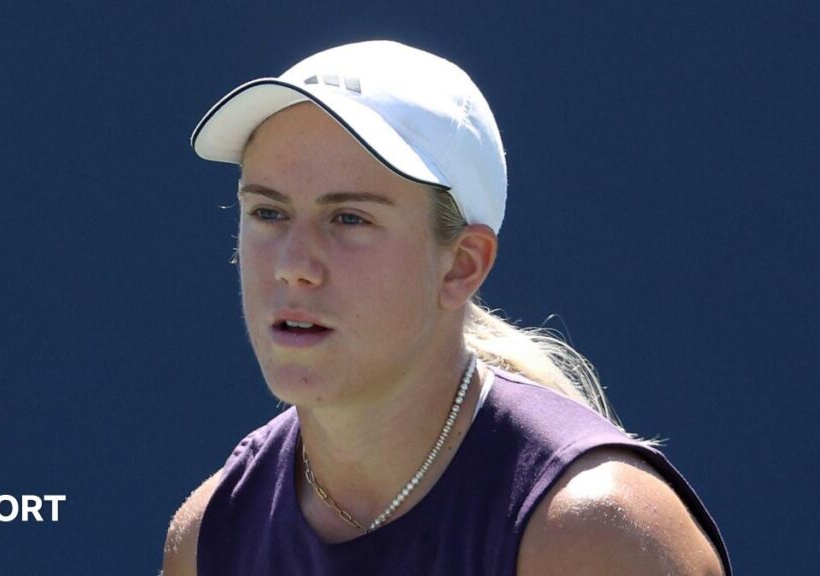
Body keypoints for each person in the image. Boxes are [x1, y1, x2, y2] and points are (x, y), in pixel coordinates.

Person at [163, 40, 731, 575]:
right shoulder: (209, 538)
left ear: (462, 265)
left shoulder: (592, 533)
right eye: (268, 212)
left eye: (350, 218)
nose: (293, 265)